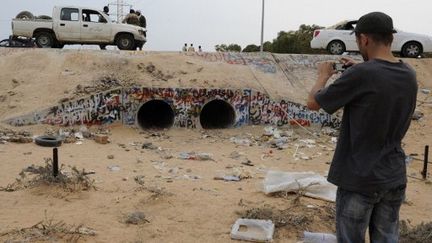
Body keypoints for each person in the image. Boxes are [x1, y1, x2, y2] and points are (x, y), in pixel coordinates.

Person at [307, 12, 417, 242]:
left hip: (359, 178)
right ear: (391, 39)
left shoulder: (362, 74)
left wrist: (322, 76)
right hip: (394, 175)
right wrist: (359, 69)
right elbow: (379, 78)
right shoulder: (409, 74)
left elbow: (314, 103)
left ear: (364, 39)